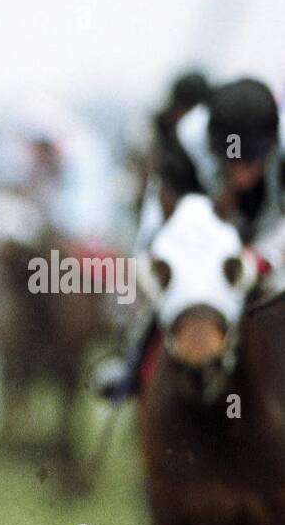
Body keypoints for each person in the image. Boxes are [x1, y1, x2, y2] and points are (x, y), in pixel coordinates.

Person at [95, 77, 284, 401]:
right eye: (232, 162)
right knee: (161, 287)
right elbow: (159, 224)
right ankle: (131, 364)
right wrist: (160, 263)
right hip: (203, 241)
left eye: (249, 162)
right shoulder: (187, 144)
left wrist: (262, 257)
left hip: (270, 234)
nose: (240, 174)